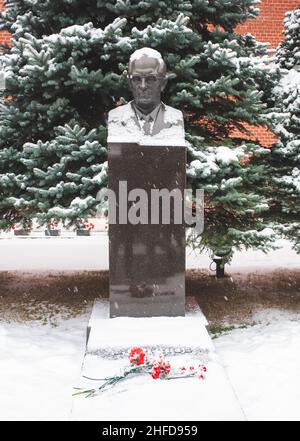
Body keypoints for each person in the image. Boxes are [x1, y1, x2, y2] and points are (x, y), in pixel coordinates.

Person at [107, 47, 185, 143]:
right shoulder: (116, 118)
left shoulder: (175, 119)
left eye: (151, 79)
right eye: (136, 79)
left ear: (163, 84)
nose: (143, 86)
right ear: (130, 84)